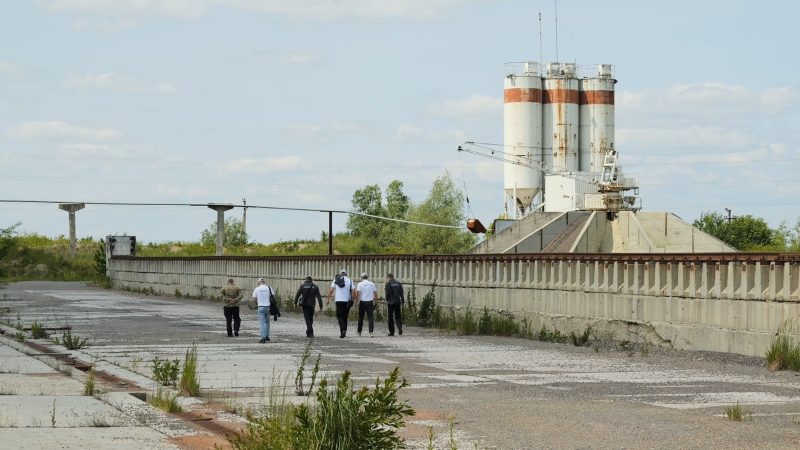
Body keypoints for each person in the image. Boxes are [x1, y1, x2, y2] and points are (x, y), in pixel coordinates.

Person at [327, 269, 355, 338]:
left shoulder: (336, 279)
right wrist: (352, 300)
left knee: (339, 316)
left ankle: (342, 330)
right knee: (345, 316)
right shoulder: (350, 280)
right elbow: (353, 292)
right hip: (347, 301)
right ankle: (344, 330)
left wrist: (328, 299)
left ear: (340, 274)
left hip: (338, 301)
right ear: (346, 274)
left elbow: (331, 290)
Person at [356, 272, 378, 337]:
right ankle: (371, 332)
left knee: (361, 317)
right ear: (367, 277)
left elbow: (358, 294)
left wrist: (357, 302)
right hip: (370, 302)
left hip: (362, 302)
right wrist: (375, 301)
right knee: (370, 317)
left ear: (361, 277)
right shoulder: (372, 284)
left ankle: (359, 331)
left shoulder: (360, 284)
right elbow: (376, 294)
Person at [252, 277, 274, 343]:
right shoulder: (269, 288)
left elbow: (254, 299)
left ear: (259, 282)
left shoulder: (257, 289)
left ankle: (263, 337)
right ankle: (267, 336)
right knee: (267, 322)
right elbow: (273, 296)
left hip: (261, 306)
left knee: (262, 323)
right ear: (264, 282)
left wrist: (257, 303)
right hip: (268, 306)